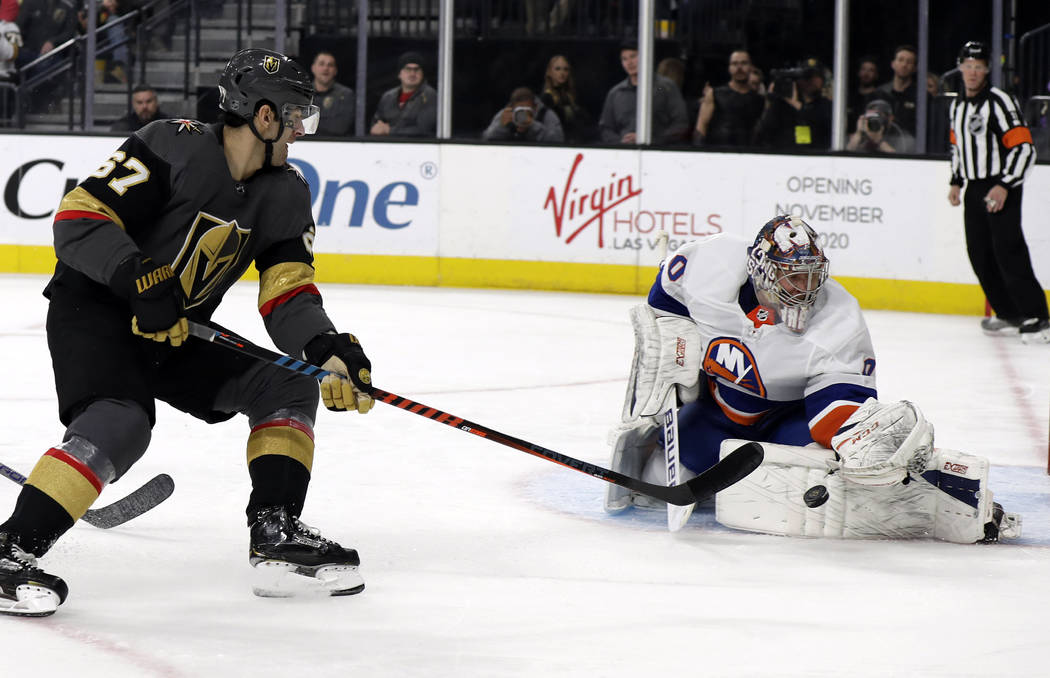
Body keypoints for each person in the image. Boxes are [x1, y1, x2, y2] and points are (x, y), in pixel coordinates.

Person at [0, 47, 376, 617]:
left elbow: (287, 294)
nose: (302, 129)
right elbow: (79, 219)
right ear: (263, 116)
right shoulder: (170, 143)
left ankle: (275, 532)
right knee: (122, 420)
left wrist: (324, 346)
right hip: (95, 310)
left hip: (176, 330)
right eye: (296, 115)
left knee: (286, 385)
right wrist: (137, 277)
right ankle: (10, 548)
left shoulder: (287, 193)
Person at [606, 215, 1020, 544]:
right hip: (713, 414)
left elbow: (832, 412)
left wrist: (857, 435)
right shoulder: (709, 263)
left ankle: (942, 497)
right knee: (655, 480)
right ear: (761, 271)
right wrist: (673, 342)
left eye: (811, 275)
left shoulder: (839, 319)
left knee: (826, 476)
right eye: (793, 276)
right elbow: (663, 303)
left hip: (783, 422)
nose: (806, 288)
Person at [947, 41, 1048, 342]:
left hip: (1001, 184)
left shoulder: (1000, 101)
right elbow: (957, 145)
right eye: (968, 66)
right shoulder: (958, 104)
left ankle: (1039, 317)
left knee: (1009, 250)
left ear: (988, 69)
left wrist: (1004, 185)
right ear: (960, 67)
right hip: (975, 187)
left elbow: (1024, 148)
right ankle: (1008, 311)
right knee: (979, 252)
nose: (972, 72)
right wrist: (956, 180)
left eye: (979, 67)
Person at [598, 41, 688, 145]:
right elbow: (605, 128)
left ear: (645, 56)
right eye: (624, 59)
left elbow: (681, 124)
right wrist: (621, 142)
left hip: (659, 152)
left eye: (633, 56)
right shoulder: (616, 93)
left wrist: (652, 140)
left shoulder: (665, 88)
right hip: (623, 153)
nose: (629, 62)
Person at [753, 60, 831, 149]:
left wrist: (799, 107)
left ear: (822, 80)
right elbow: (761, 135)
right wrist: (770, 102)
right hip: (784, 154)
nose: (810, 80)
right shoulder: (782, 105)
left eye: (816, 76)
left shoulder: (827, 106)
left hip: (815, 156)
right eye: (806, 76)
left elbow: (825, 130)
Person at [694, 49, 764, 148]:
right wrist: (699, 151)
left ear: (750, 67)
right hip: (718, 151)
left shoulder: (759, 100)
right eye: (734, 64)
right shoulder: (715, 94)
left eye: (744, 63)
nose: (739, 68)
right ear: (729, 68)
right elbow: (701, 126)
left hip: (748, 153)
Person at [369, 51, 437, 138]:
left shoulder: (429, 95)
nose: (412, 74)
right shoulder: (388, 97)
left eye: (417, 70)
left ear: (422, 74)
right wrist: (377, 128)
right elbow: (376, 125)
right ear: (399, 74)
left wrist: (390, 130)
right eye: (408, 69)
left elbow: (423, 130)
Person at [539, 54, 593, 144]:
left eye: (566, 69)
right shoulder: (546, 98)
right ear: (549, 72)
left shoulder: (571, 96)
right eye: (557, 69)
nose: (562, 73)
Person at [870, 45, 921, 137]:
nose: (904, 65)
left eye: (909, 62)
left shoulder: (921, 96)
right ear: (893, 64)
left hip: (910, 146)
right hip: (880, 143)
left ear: (915, 68)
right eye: (900, 60)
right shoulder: (880, 93)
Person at [482, 86, 563, 142]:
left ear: (535, 107)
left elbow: (559, 139)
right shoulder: (506, 113)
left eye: (527, 110)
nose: (522, 115)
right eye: (520, 110)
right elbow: (487, 137)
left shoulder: (546, 114)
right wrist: (501, 126)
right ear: (512, 107)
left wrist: (532, 125)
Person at [310, 51, 354, 137]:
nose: (326, 68)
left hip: (337, 146)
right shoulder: (302, 93)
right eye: (321, 64)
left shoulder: (346, 94)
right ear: (313, 68)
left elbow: (340, 127)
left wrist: (310, 123)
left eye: (330, 65)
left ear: (335, 71)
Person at [846, 98, 914, 153]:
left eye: (879, 116)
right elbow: (845, 157)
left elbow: (901, 163)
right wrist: (858, 133)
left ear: (890, 118)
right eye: (871, 116)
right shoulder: (863, 132)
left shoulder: (902, 137)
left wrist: (878, 141)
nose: (874, 120)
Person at [846, 55, 879, 128]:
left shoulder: (879, 98)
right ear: (858, 72)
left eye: (871, 70)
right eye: (863, 69)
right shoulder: (849, 97)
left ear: (876, 75)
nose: (866, 73)